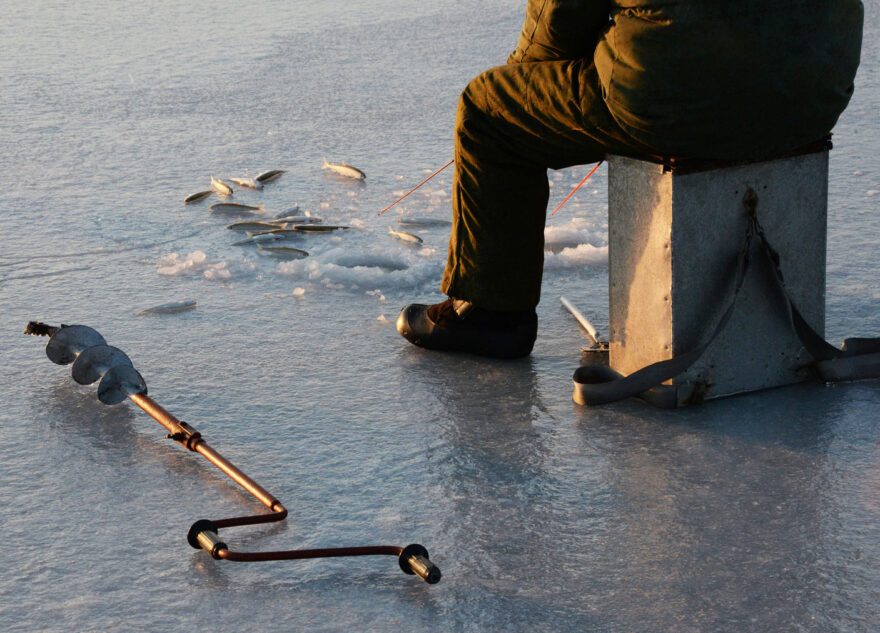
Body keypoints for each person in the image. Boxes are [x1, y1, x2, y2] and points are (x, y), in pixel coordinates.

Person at [397, 0, 864, 359]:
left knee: (488, 109)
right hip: (811, 96)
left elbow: (559, 19)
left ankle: (490, 315)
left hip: (668, 98)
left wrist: (525, 76)